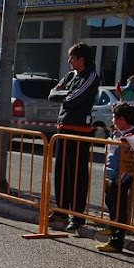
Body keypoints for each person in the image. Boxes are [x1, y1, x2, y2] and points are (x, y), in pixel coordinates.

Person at [48, 42, 100, 232]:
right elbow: (52, 94)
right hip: (63, 128)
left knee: (77, 173)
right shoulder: (70, 75)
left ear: (81, 59)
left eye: (72, 58)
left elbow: (74, 99)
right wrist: (63, 94)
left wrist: (63, 95)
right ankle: (61, 210)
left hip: (79, 131)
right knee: (61, 171)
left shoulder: (91, 76)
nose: (69, 61)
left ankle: (77, 216)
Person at [96, 103, 134, 254]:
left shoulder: (133, 136)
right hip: (110, 174)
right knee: (111, 202)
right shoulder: (116, 133)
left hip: (121, 177)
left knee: (120, 208)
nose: (112, 119)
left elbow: (133, 160)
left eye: (115, 116)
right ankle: (113, 226)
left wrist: (123, 176)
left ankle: (116, 241)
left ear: (123, 119)